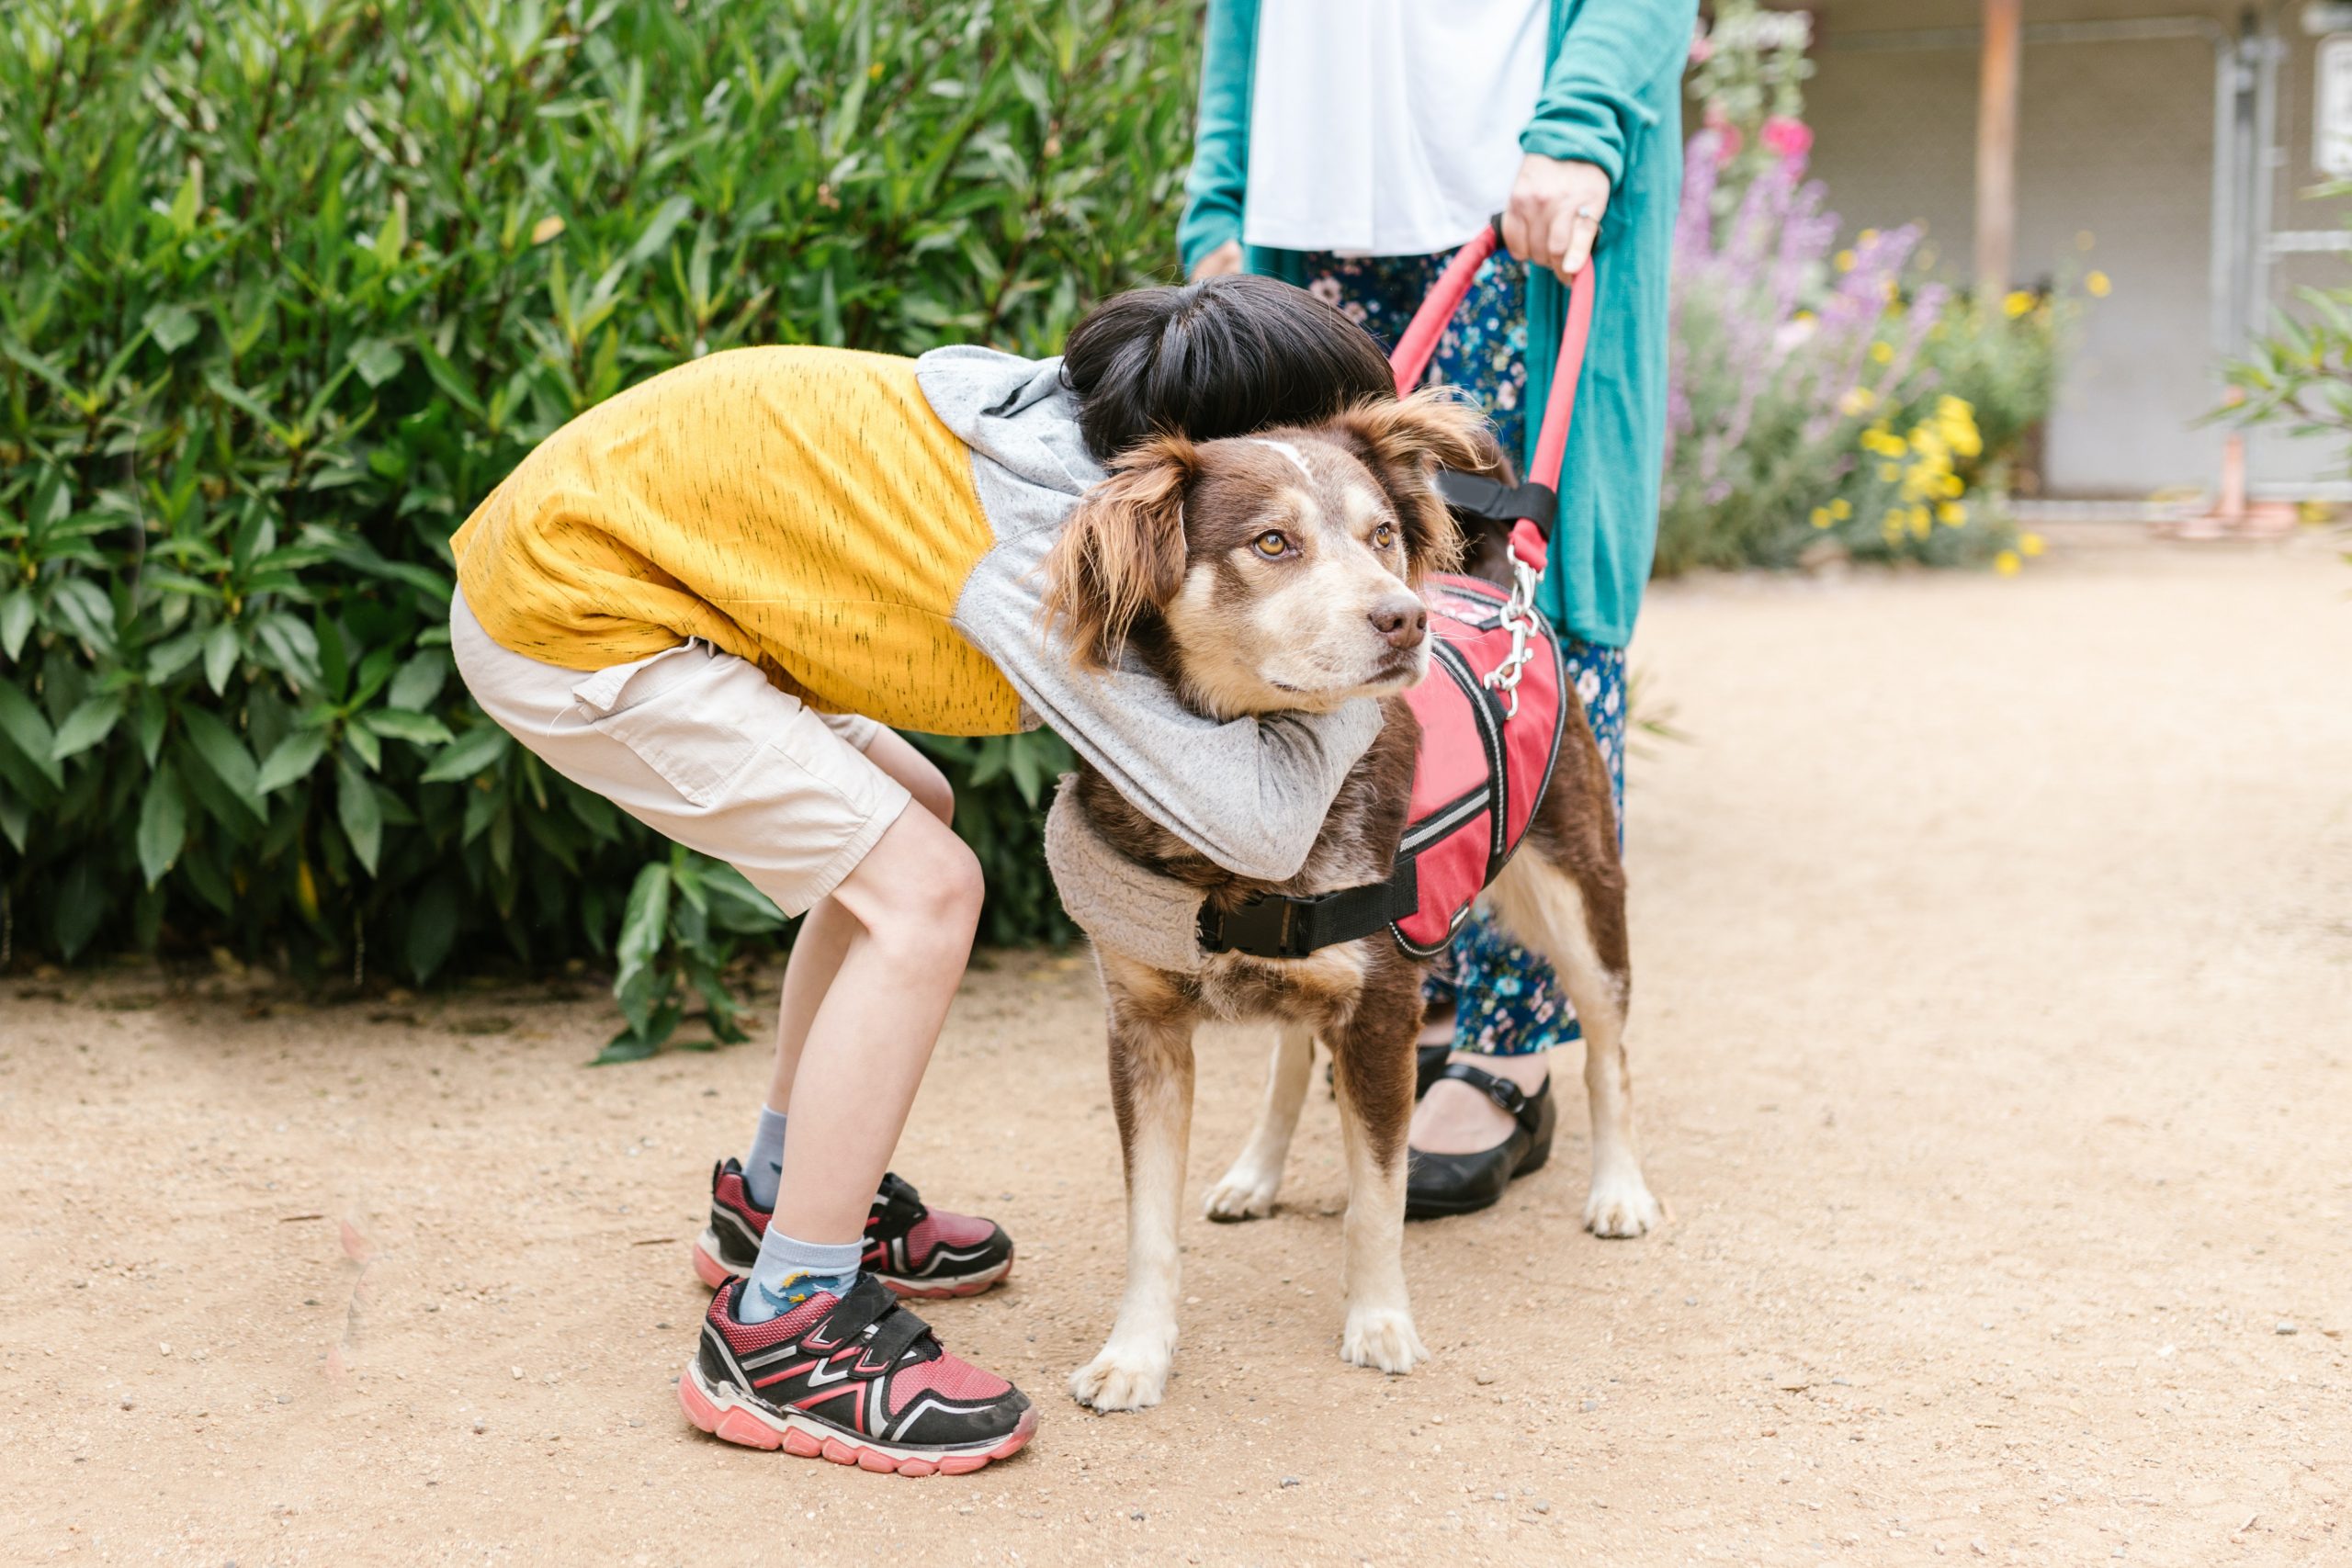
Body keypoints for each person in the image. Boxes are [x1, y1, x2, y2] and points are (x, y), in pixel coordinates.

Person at [447, 276, 1399, 1472]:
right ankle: (785, 1330)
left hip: (609, 571)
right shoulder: (1053, 550)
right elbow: (1257, 829)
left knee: (909, 814)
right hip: (573, 614)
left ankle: (777, 1198)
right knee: (927, 889)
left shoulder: (1067, 425)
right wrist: (1398, 659)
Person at [1179, 0, 1693, 1216]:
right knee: (1333, 642)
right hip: (1318, 235)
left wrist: (1582, 126)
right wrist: (1220, 206)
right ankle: (1407, 989)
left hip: (1522, 205)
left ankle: (1513, 1053)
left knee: (1522, 645)